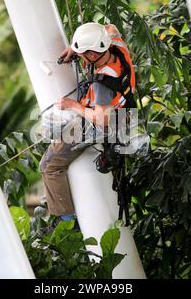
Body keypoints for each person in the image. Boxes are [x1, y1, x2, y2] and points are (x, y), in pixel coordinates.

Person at [39, 22, 136, 231]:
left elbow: (101, 119)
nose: (80, 57)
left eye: (84, 54)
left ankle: (65, 219)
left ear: (93, 54)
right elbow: (110, 27)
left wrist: (73, 105)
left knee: (49, 165)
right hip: (126, 110)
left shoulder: (102, 83)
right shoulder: (115, 44)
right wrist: (75, 48)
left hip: (107, 123)